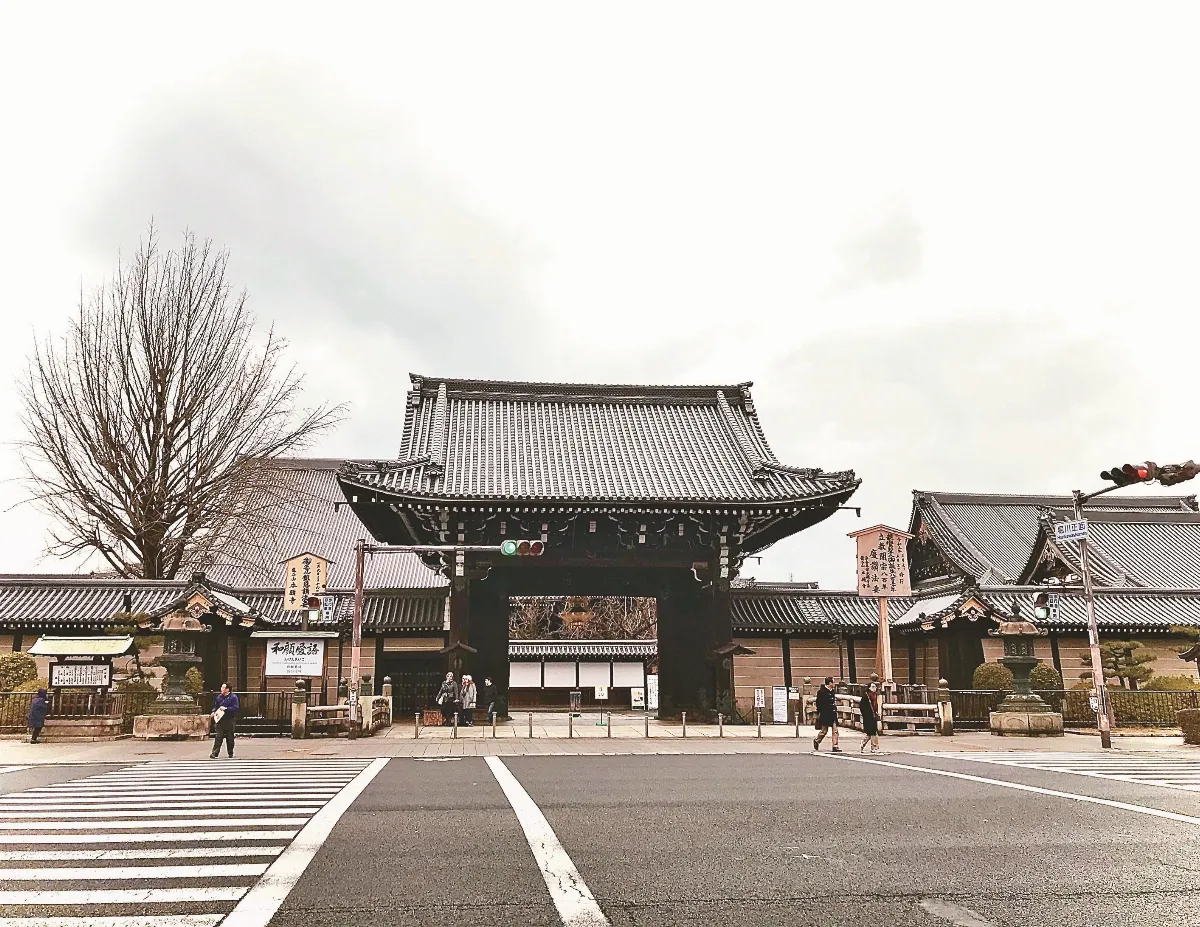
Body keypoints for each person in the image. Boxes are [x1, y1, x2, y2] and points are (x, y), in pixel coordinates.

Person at [210, 683, 239, 759]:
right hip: (220, 719)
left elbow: (235, 708)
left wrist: (226, 708)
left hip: (229, 719)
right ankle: (215, 752)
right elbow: (216, 706)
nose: (221, 689)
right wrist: (213, 711)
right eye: (221, 687)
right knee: (218, 736)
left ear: (227, 689)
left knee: (230, 737)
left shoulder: (233, 697)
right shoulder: (219, 697)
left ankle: (230, 752)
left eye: (223, 688)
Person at [813, 676, 842, 752]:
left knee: (835, 730)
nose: (834, 684)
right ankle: (817, 740)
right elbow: (818, 703)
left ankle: (835, 746)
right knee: (824, 731)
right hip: (825, 714)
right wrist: (820, 712)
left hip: (832, 714)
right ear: (829, 683)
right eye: (833, 682)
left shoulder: (832, 691)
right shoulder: (821, 692)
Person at [859, 681, 881, 753]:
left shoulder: (874, 696)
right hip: (868, 716)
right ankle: (873, 747)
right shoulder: (866, 696)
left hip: (873, 715)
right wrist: (865, 714)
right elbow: (862, 706)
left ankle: (864, 743)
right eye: (872, 687)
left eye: (875, 687)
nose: (874, 688)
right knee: (872, 732)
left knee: (872, 732)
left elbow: (875, 706)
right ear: (869, 688)